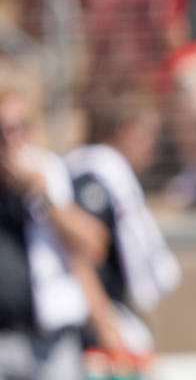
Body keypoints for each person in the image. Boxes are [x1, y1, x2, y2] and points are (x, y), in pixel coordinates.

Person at [65, 81, 182, 368]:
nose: (152, 148)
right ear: (127, 129)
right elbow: (77, 259)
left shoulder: (108, 179)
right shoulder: (93, 181)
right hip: (93, 336)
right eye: (149, 135)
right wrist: (108, 329)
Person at [0, 84, 106, 380]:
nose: (11, 141)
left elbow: (92, 247)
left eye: (19, 128)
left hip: (51, 340)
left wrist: (43, 195)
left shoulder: (48, 172)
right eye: (2, 131)